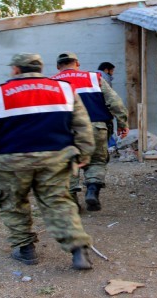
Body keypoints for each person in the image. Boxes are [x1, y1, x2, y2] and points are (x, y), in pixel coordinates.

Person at [0, 53, 95, 270]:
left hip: (13, 161)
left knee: (13, 203)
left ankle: (25, 249)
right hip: (55, 159)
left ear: (16, 69)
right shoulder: (65, 89)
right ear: (39, 68)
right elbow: (83, 125)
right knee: (58, 202)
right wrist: (84, 154)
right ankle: (78, 251)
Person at [52, 52, 129, 212]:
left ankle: (73, 202)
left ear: (58, 66)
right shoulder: (94, 78)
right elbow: (115, 103)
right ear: (77, 63)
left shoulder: (51, 82)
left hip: (64, 128)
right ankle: (92, 190)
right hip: (95, 127)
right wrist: (122, 122)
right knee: (96, 161)